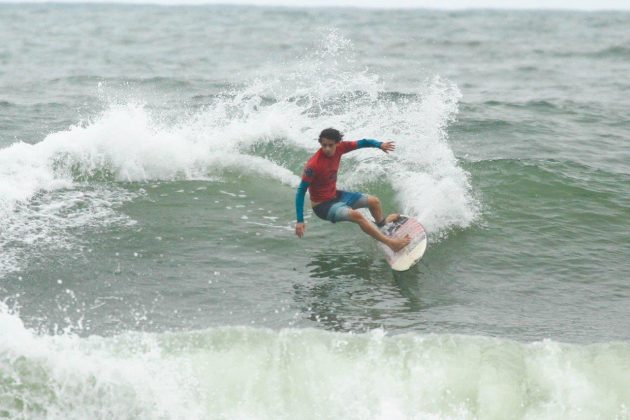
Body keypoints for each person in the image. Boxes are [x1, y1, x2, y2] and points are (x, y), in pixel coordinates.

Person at [294, 128, 411, 252]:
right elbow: (301, 192)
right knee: (357, 216)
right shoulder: (313, 165)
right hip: (322, 207)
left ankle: (382, 226)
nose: (327, 149)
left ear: (337, 143)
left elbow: (362, 142)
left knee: (374, 202)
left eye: (330, 145)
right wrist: (300, 221)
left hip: (335, 195)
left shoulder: (341, 148)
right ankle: (391, 244)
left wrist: (379, 145)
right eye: (324, 145)